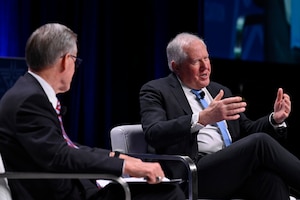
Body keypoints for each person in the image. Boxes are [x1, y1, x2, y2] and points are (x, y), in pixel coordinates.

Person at [0, 23, 186, 200]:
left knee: (161, 188)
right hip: (64, 195)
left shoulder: (28, 91)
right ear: (66, 61)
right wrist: (124, 165)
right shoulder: (29, 100)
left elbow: (65, 147)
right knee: (167, 193)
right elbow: (59, 156)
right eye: (75, 60)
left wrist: (116, 157)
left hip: (76, 187)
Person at [139, 32, 300, 199]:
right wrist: (202, 118)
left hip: (231, 169)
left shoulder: (218, 90)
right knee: (260, 142)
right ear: (176, 66)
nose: (205, 67)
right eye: (196, 61)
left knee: (271, 180)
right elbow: (154, 133)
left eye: (206, 58)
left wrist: (274, 119)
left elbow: (247, 130)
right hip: (193, 173)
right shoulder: (156, 90)